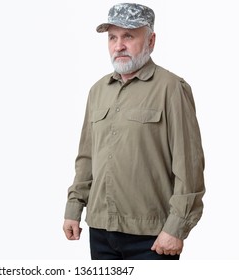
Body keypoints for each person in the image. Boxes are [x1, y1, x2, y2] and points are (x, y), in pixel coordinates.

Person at [62, 3, 205, 260]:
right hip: (100, 231)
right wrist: (74, 207)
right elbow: (86, 158)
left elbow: (189, 167)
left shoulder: (171, 88)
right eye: (113, 37)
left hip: (152, 237)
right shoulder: (98, 91)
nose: (119, 45)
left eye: (129, 36)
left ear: (151, 40)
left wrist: (177, 228)